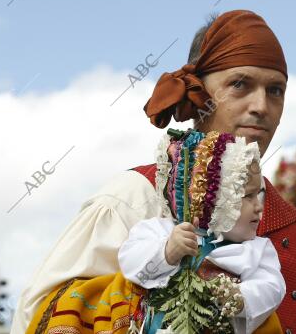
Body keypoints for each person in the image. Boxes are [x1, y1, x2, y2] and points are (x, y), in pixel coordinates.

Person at [12, 10, 296, 334]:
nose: (261, 106)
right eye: (239, 84)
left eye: (275, 90)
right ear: (199, 94)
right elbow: (36, 318)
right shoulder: (133, 198)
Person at [119, 133, 285, 333]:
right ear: (212, 200)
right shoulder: (163, 230)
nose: (259, 207)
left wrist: (239, 298)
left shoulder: (258, 249)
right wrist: (168, 252)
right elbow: (130, 262)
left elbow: (272, 287)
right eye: (247, 196)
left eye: (258, 195)